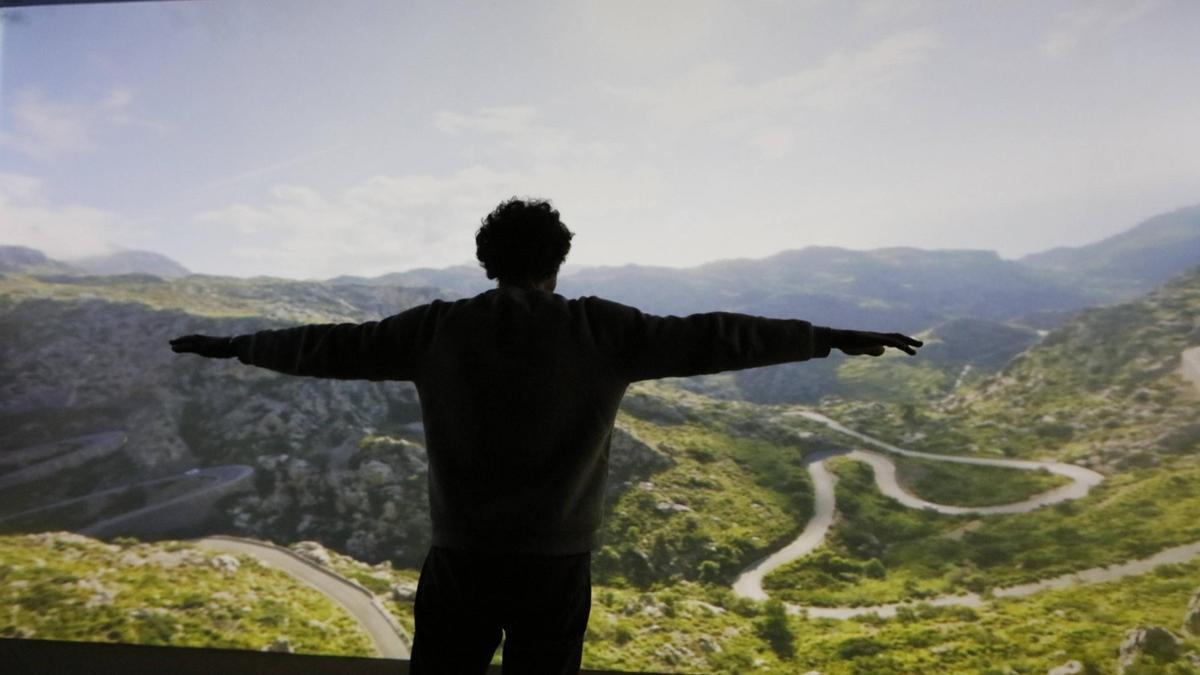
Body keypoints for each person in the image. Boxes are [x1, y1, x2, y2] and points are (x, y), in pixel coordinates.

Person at [170, 197, 922, 674]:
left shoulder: (438, 330)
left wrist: (237, 345)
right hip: (555, 566)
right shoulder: (600, 329)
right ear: (557, 263)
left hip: (461, 558)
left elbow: (328, 346)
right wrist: (825, 336)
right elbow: (717, 335)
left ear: (486, 263)